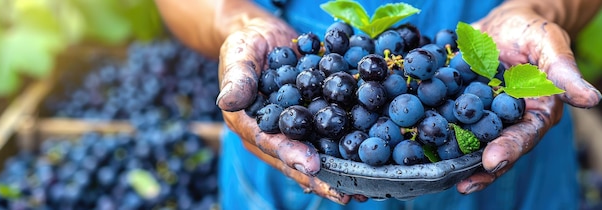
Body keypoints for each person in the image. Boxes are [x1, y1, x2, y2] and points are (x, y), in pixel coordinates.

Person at [155, 0, 602, 209]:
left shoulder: (445, 92)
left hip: (512, 177)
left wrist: (544, 8)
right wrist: (241, 19)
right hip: (294, 178)